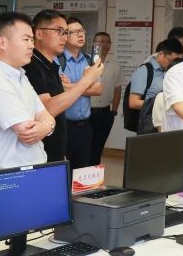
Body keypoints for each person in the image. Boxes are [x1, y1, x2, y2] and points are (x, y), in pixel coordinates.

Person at [0, 12, 56, 171]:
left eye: (32, 40)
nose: (31, 45)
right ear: (2, 42)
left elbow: (46, 115)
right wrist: (48, 126)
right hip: (7, 175)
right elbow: (28, 133)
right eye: (25, 39)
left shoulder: (20, 75)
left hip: (28, 170)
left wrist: (46, 126)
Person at [23, 10, 102, 166]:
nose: (64, 37)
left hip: (57, 148)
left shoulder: (51, 65)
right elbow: (47, 108)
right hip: (39, 155)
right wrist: (87, 80)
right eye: (59, 31)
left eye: (65, 32)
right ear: (38, 33)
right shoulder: (32, 66)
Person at [56, 16, 106, 169]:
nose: (80, 35)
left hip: (85, 126)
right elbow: (59, 89)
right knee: (62, 170)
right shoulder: (57, 60)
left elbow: (98, 89)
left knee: (82, 170)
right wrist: (86, 84)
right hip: (63, 126)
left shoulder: (90, 60)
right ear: (65, 36)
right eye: (74, 32)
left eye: (82, 31)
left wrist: (71, 86)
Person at [126, 38, 183, 127]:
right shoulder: (144, 71)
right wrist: (159, 105)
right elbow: (133, 103)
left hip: (170, 123)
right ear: (161, 54)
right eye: (170, 61)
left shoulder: (171, 71)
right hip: (149, 124)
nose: (172, 65)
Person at [87, 30, 122, 164]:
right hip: (86, 113)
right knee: (85, 149)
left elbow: (118, 89)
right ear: (94, 44)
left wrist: (114, 111)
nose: (105, 45)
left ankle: (93, 175)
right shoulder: (85, 62)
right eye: (101, 41)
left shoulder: (115, 66)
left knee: (98, 149)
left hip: (105, 113)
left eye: (107, 42)